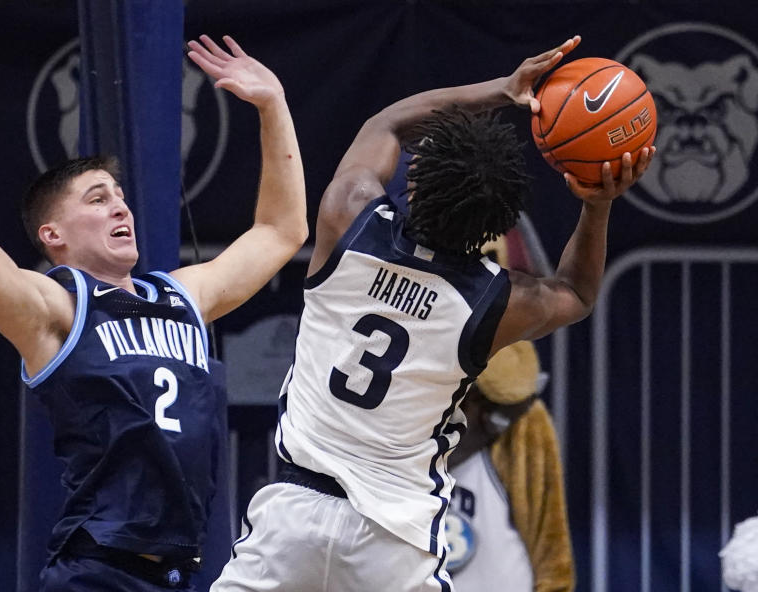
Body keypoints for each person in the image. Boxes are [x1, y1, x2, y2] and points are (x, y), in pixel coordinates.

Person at [0, 9, 307, 592]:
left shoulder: (182, 295)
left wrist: (274, 107)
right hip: (98, 571)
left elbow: (281, 231)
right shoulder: (54, 310)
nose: (120, 207)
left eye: (120, 196)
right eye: (98, 199)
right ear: (54, 236)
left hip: (179, 571)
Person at [211, 35, 655, 592]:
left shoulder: (346, 221)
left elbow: (390, 123)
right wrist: (598, 201)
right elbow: (577, 292)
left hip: (294, 512)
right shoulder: (493, 301)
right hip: (393, 536)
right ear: (496, 228)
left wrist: (502, 89)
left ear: (413, 183)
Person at [446, 339, 575, 592]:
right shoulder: (397, 430)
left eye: (497, 418)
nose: (481, 422)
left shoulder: (521, 431)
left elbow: (551, 553)